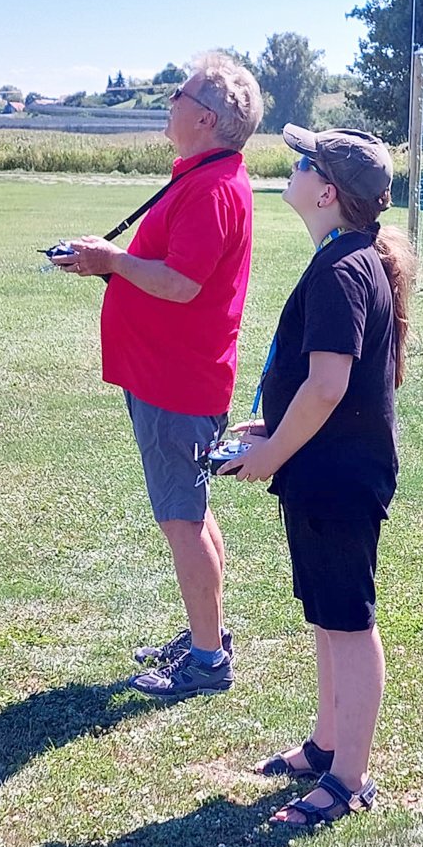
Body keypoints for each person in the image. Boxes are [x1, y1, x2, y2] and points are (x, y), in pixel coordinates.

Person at [220, 125, 416, 826]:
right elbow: (324, 387)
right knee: (327, 618)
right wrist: (273, 428)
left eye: (304, 163)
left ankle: (350, 778)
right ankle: (327, 744)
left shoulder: (341, 270)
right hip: (323, 469)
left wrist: (272, 454)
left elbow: (328, 386)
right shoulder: (345, 257)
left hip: (337, 478)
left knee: (349, 624)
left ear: (327, 192)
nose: (294, 168)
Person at [60, 52, 263, 700]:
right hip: (171, 375)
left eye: (180, 93)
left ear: (206, 118)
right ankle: (209, 636)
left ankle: (207, 661)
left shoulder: (211, 187)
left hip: (177, 381)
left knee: (182, 518)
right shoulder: (206, 176)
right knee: (191, 512)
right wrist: (111, 263)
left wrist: (114, 262)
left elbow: (181, 283)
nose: (169, 101)